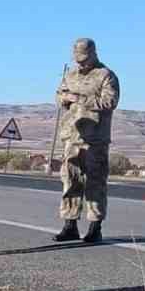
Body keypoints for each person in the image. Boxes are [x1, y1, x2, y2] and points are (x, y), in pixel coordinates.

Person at [53, 37, 120, 244]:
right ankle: (70, 225)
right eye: (77, 58)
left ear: (93, 53)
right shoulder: (70, 74)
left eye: (83, 58)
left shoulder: (105, 75)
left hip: (95, 139)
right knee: (70, 181)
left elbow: (110, 101)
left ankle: (94, 227)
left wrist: (81, 100)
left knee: (95, 182)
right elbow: (59, 96)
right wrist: (63, 98)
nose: (80, 62)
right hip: (71, 136)